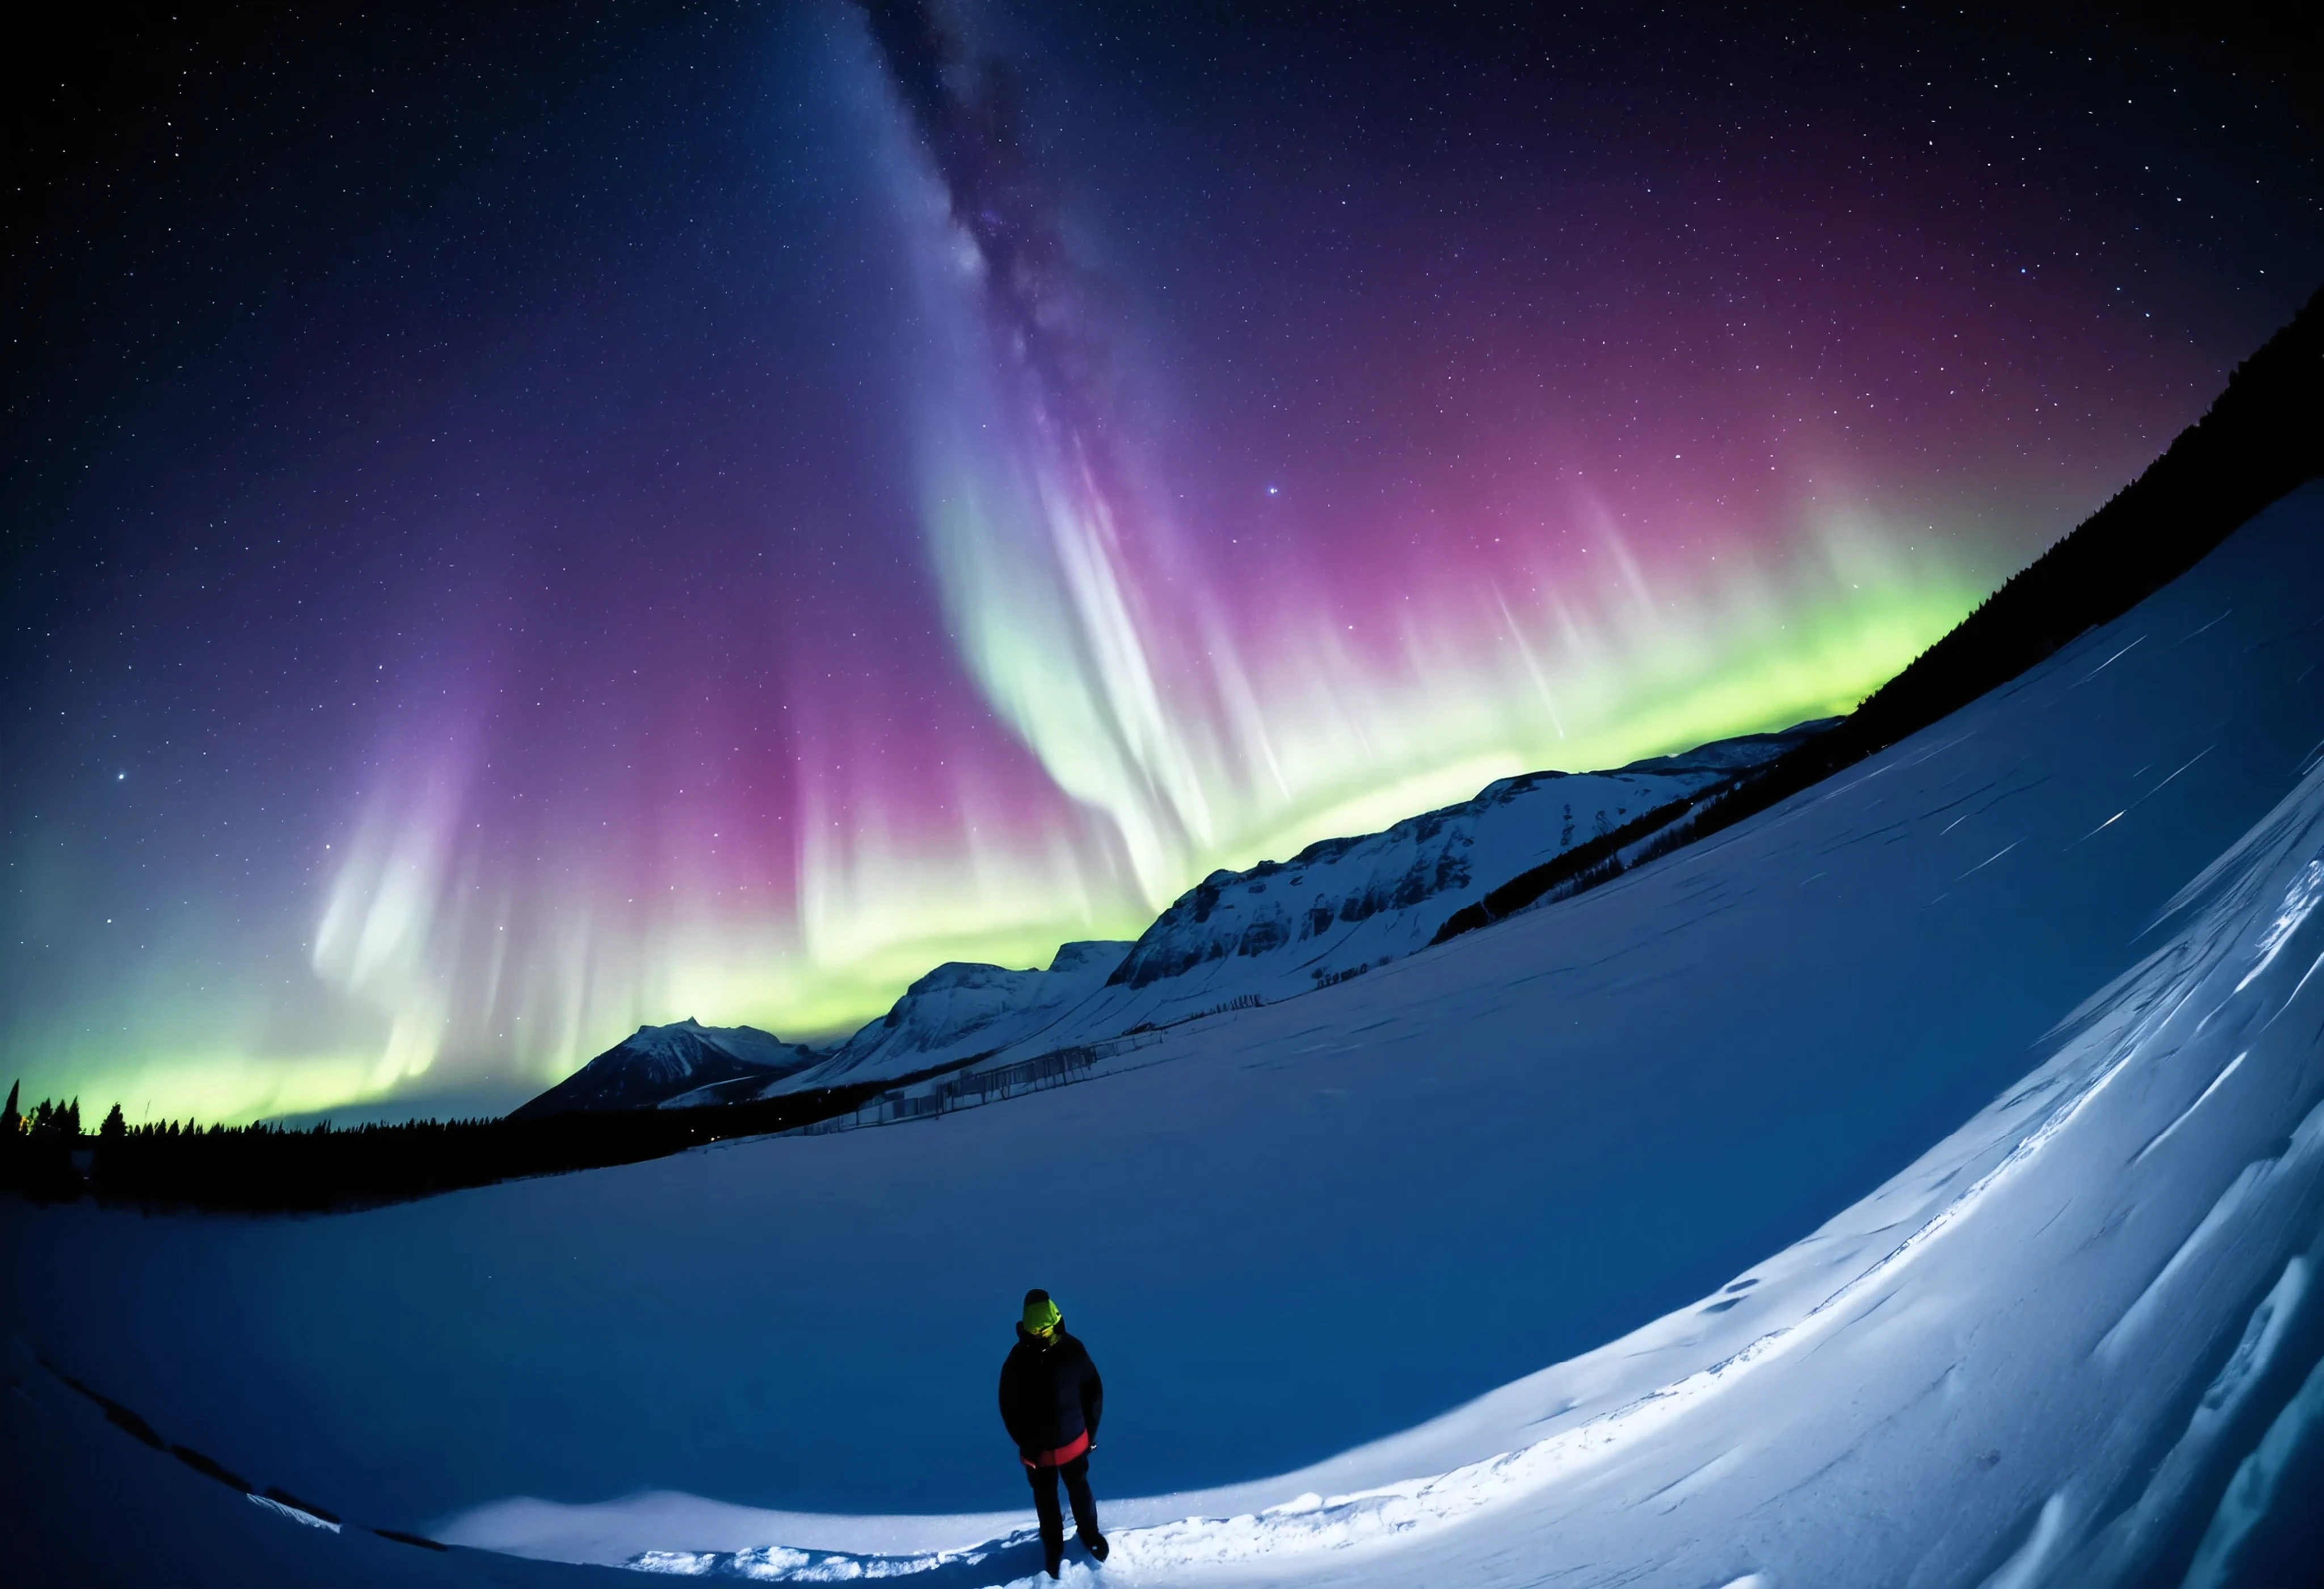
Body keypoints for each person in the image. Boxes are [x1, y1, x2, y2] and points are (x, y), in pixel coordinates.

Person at [998, 1287, 1108, 1578]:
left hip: (1038, 1451)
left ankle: (1053, 1546)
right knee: (1079, 1487)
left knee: (1045, 1496)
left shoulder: (1017, 1359)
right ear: (1055, 1316)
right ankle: (1090, 1536)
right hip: (1074, 1441)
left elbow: (1008, 1406)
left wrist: (1023, 1443)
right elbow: (1094, 1393)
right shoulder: (1073, 1348)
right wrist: (1089, 1434)